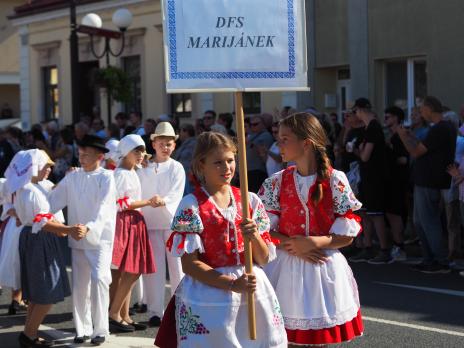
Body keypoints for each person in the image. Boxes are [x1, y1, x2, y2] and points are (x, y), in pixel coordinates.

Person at [155, 132, 287, 348]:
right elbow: (189, 265)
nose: (227, 168)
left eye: (230, 160)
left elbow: (263, 258)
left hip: (252, 289)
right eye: (218, 162)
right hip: (210, 293)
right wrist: (232, 284)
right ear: (201, 164)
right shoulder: (191, 205)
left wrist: (253, 236)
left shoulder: (250, 200)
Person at [258, 113, 364, 346]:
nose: (278, 144)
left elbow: (347, 232)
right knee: (284, 337)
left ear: (305, 143)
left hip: (322, 268)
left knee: (319, 338)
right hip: (285, 267)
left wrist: (316, 243)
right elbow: (262, 228)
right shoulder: (276, 182)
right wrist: (295, 245)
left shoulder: (335, 180)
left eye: (285, 139)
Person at [5, 150, 78, 348]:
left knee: (38, 292)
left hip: (34, 238)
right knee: (46, 292)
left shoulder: (28, 187)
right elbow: (43, 222)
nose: (49, 168)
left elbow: (46, 207)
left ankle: (29, 334)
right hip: (39, 240)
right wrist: (68, 229)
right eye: (45, 165)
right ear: (34, 167)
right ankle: (29, 335)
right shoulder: (30, 190)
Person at [49, 135, 117, 345]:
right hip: (77, 238)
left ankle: (100, 330)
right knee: (80, 286)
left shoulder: (106, 177)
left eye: (86, 154)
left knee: (100, 281)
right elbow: (53, 199)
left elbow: (105, 208)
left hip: (99, 239)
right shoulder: (73, 177)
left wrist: (89, 227)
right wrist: (39, 215)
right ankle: (83, 328)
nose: (82, 157)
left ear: (99, 156)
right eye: (80, 153)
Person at [397, 96, 456, 273]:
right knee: (420, 221)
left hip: (430, 180)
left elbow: (415, 152)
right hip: (426, 179)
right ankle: (429, 257)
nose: (421, 113)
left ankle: (439, 260)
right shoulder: (441, 128)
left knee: (428, 221)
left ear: (430, 109)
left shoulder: (440, 128)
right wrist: (412, 136)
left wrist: (403, 137)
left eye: (422, 110)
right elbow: (425, 147)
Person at [137, 122, 186, 327]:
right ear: (154, 143)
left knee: (177, 268)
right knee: (153, 270)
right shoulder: (144, 166)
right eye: (162, 143)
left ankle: (180, 308)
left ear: (174, 145)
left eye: (169, 143)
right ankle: (155, 311)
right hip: (149, 222)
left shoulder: (177, 167)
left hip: (170, 223)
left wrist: (163, 201)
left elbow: (177, 192)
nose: (166, 147)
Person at [109, 135, 156, 333]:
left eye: (142, 151)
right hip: (126, 221)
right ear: (125, 151)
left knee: (129, 270)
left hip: (132, 221)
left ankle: (124, 315)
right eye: (136, 151)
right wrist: (148, 202)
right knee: (130, 270)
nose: (140, 155)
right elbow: (121, 203)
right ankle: (113, 314)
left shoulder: (130, 172)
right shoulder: (121, 174)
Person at [349, 98, 391, 264]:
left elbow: (365, 156)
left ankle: (384, 249)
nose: (355, 114)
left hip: (375, 176)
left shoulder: (373, 127)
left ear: (360, 110)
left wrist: (357, 151)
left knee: (376, 213)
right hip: (367, 176)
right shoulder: (368, 128)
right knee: (365, 212)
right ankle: (367, 247)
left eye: (355, 111)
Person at [383, 107, 409, 261]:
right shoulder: (391, 135)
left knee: (395, 213)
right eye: (385, 115)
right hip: (390, 179)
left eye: (389, 116)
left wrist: (390, 155)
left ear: (397, 118)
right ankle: (396, 244)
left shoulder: (401, 134)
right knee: (390, 214)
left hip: (398, 180)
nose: (385, 118)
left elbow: (404, 159)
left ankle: (400, 247)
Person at [246, 115, 274, 192]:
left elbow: (264, 153)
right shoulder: (252, 135)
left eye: (256, 124)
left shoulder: (266, 135)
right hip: (250, 170)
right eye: (251, 124)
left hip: (258, 171)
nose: (253, 126)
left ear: (263, 124)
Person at [173, 124, 196, 195]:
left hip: (188, 177)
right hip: (183, 176)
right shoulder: (185, 144)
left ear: (186, 132)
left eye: (180, 131)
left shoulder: (194, 143)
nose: (179, 134)